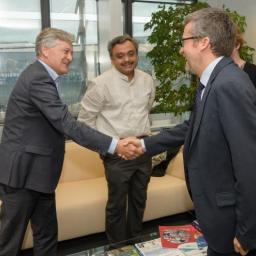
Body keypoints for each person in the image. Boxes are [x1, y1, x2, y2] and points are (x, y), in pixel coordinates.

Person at [124, 8, 256, 256]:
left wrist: (248, 232)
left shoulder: (229, 84)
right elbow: (191, 126)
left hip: (230, 221)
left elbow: (249, 164)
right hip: (215, 216)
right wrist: (144, 145)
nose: (181, 49)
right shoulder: (213, 80)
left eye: (184, 41)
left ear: (204, 42)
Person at [0, 28, 139, 256]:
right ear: (46, 51)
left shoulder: (43, 76)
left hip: (39, 174)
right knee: (9, 242)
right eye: (65, 51)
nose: (70, 57)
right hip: (23, 176)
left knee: (46, 236)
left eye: (71, 52)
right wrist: (115, 145)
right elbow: (67, 124)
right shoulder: (37, 78)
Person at [78, 34, 155, 243]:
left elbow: (146, 110)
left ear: (137, 54)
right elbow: (85, 123)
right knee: (117, 205)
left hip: (142, 149)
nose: (126, 59)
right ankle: (117, 247)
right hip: (117, 155)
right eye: (120, 56)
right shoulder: (100, 84)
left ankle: (136, 242)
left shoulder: (147, 80)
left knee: (139, 200)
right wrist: (109, 148)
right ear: (112, 59)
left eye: (131, 54)